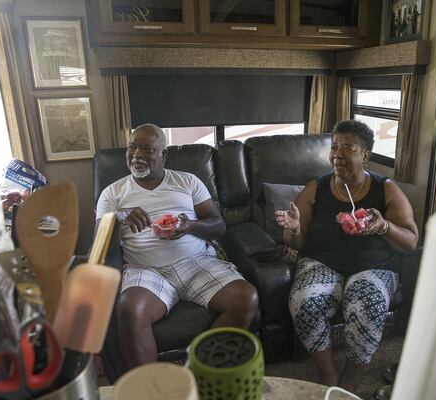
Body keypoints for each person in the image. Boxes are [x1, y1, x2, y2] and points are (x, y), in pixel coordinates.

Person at [95, 123, 258, 368]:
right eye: (132, 148)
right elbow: (99, 246)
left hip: (195, 262)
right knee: (130, 310)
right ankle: (153, 389)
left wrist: (188, 227)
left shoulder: (187, 182)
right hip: (144, 267)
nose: (137, 155)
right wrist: (118, 218)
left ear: (164, 154)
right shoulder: (112, 193)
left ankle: (198, 368)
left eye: (147, 149)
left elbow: (218, 224)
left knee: (246, 298)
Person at [275, 120, 418, 392]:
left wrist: (383, 227)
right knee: (303, 302)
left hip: (374, 267)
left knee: (368, 305)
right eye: (334, 147)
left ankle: (351, 378)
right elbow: (297, 242)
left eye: (348, 148)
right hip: (321, 263)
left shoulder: (385, 188)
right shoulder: (316, 187)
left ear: (365, 155)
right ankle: (328, 372)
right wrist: (293, 230)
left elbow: (411, 242)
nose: (337, 154)